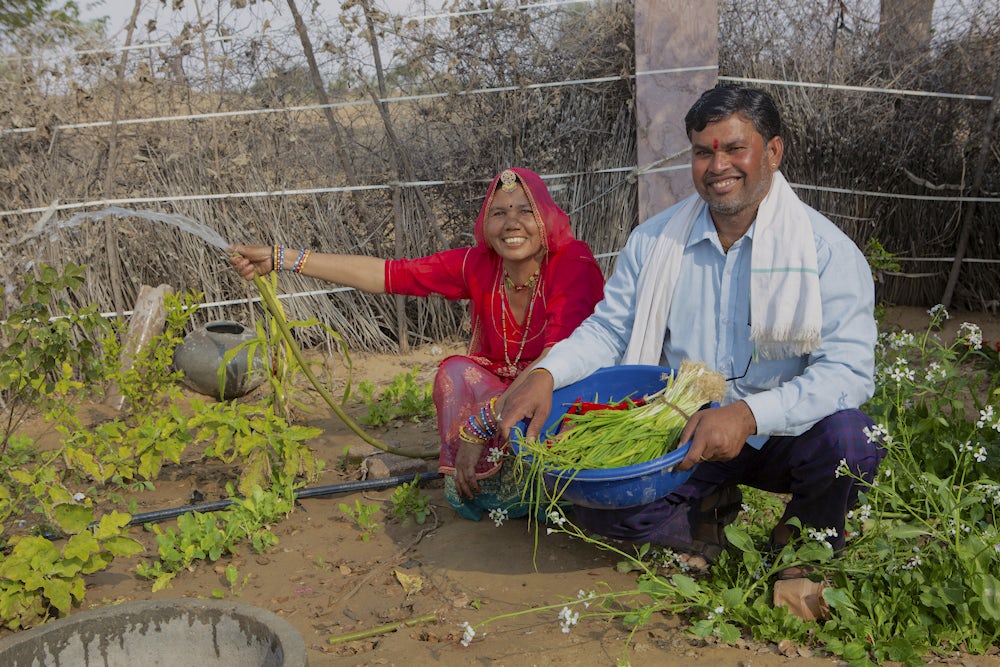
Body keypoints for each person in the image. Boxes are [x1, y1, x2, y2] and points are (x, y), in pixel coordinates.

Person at [498, 84, 884, 580]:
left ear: (773, 152)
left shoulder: (825, 252)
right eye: (703, 152)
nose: (717, 165)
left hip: (782, 434)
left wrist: (748, 415)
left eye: (734, 148)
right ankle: (710, 513)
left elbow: (847, 374)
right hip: (682, 431)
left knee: (853, 442)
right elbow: (612, 331)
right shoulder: (655, 242)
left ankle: (798, 543)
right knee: (595, 509)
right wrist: (545, 372)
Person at [229, 167, 605, 521]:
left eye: (526, 210)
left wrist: (478, 426)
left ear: (547, 218)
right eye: (499, 213)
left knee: (550, 457)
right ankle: (492, 476)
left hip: (563, 389)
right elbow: (390, 274)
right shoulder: (479, 265)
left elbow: (558, 361)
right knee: (455, 373)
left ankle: (532, 480)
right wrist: (284, 258)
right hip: (505, 390)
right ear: (485, 224)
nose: (511, 224)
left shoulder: (573, 262)